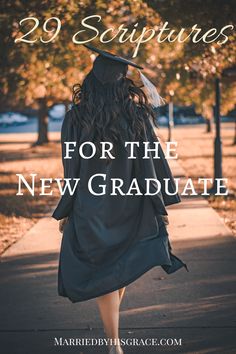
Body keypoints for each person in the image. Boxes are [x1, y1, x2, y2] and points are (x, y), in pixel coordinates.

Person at [52, 44, 188, 354]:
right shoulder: (136, 115)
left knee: (109, 271)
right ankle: (114, 344)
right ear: (122, 83)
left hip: (92, 206)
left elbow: (71, 167)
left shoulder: (75, 117)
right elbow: (150, 163)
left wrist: (68, 208)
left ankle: (113, 343)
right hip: (130, 204)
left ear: (91, 81)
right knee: (115, 270)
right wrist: (157, 203)